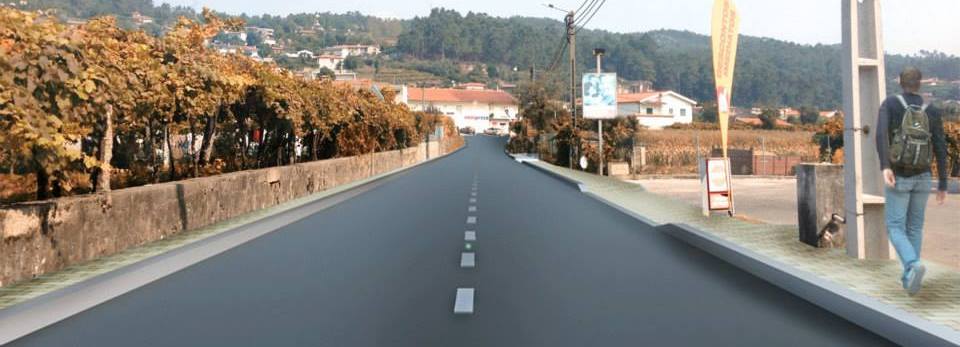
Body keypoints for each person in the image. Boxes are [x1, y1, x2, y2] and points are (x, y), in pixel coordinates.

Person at [875, 67, 948, 296]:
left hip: (900, 176)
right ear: (920, 83)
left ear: (900, 82)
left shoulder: (890, 103)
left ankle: (912, 265)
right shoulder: (932, 110)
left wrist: (885, 165)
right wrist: (943, 182)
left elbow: (880, 135)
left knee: (895, 226)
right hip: (924, 177)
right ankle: (910, 279)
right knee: (915, 227)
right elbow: (940, 146)